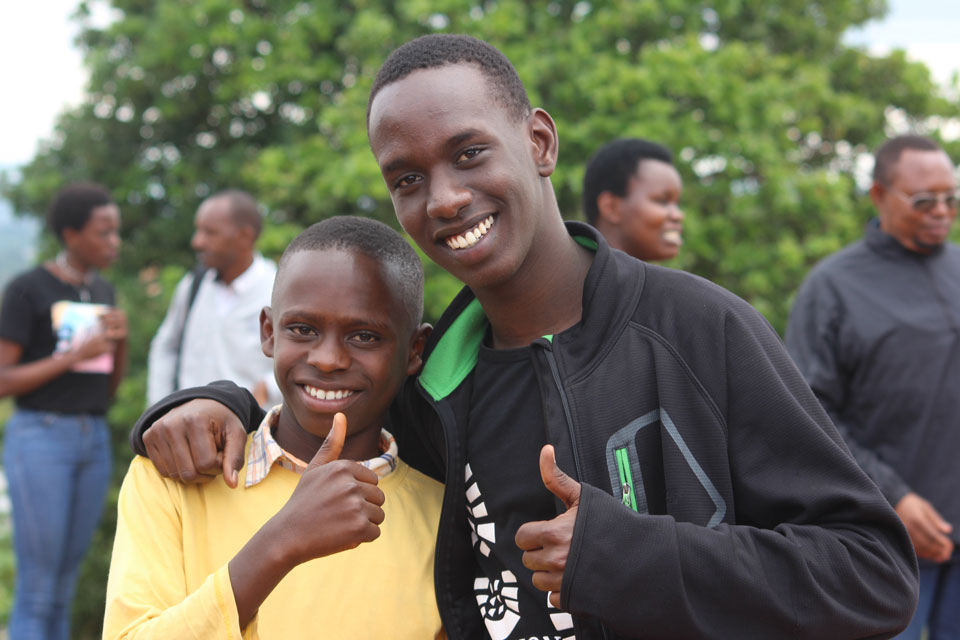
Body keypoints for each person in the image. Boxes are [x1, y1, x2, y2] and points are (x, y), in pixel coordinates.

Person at [130, 35, 918, 639]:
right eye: (406, 178)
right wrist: (215, 402)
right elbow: (321, 403)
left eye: (469, 153)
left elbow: (874, 574)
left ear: (538, 143)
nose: (443, 198)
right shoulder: (436, 386)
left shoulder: (698, 329)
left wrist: (633, 556)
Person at [104, 217, 443, 638]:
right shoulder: (173, 476)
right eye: (303, 329)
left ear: (415, 351)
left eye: (364, 337)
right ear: (268, 332)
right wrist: (280, 543)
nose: (327, 359)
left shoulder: (445, 518)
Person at [786, 134, 960, 640]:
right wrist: (894, 497)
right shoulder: (833, 288)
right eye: (924, 200)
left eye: (952, 198)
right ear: (879, 196)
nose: (942, 212)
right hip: (885, 539)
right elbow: (809, 417)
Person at [0, 182, 127, 640]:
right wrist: (71, 356)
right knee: (38, 586)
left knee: (64, 585)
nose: (114, 242)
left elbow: (108, 387)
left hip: (90, 437)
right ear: (71, 235)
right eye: (104, 232)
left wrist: (122, 337)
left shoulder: (103, 289)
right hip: (41, 436)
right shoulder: (27, 290)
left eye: (116, 232)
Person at [146, 189, 278, 407]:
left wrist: (269, 386)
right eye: (198, 231)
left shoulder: (276, 290)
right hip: (186, 428)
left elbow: (301, 357)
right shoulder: (193, 285)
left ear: (245, 236)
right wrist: (159, 407)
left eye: (210, 232)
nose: (197, 242)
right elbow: (165, 346)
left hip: (250, 432)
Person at [582, 138, 684, 261]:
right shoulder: (567, 277)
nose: (678, 215)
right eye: (662, 201)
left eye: (677, 203)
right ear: (611, 207)